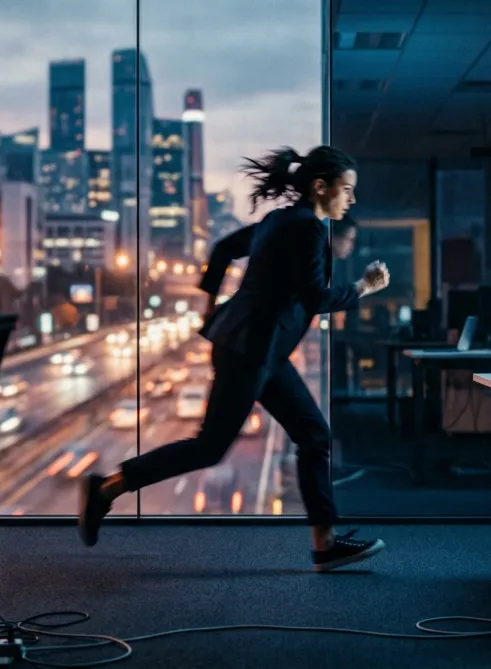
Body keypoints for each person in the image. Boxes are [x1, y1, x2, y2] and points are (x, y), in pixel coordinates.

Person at [79, 146, 391, 572]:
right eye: (347, 189)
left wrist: (211, 311)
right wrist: (363, 288)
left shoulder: (281, 220)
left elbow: (224, 248)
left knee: (314, 436)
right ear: (321, 187)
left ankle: (325, 545)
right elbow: (315, 297)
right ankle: (106, 489)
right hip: (249, 352)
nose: (352, 199)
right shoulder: (308, 229)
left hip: (260, 351)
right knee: (210, 448)